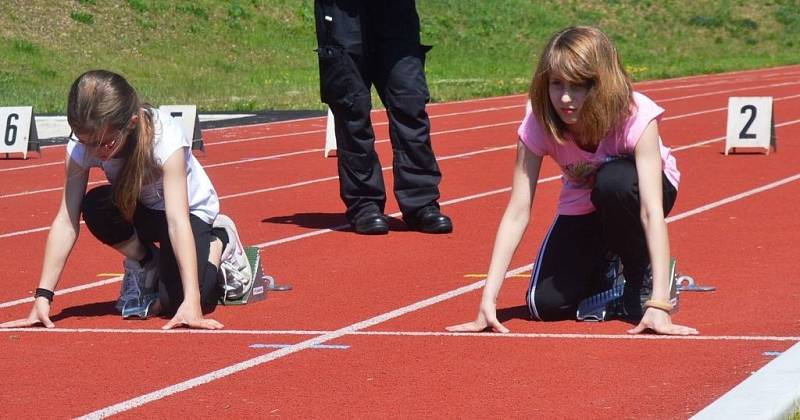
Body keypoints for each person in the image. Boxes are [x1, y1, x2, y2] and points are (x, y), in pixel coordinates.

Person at [447, 27, 698, 335]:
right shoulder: (539, 124)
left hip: (640, 191)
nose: (565, 98)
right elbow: (518, 210)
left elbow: (650, 210)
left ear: (601, 83)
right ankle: (607, 268)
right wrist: (488, 300)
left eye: (578, 86)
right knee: (545, 305)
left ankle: (640, 275)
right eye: (556, 84)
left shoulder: (634, 113)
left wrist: (659, 303)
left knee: (614, 182)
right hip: (584, 200)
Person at [0, 70, 252, 330]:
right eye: (87, 143)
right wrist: (43, 298)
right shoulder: (83, 145)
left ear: (131, 123)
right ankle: (146, 261)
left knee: (179, 300)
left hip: (187, 212)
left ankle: (219, 240)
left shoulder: (164, 137)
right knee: (96, 205)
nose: (96, 152)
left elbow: (177, 221)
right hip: (139, 206)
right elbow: (66, 220)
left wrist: (191, 301)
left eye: (105, 144)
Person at [314, 0, 453, 235]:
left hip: (395, 11)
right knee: (352, 107)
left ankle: (421, 203)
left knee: (410, 101)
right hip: (343, 12)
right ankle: (364, 204)